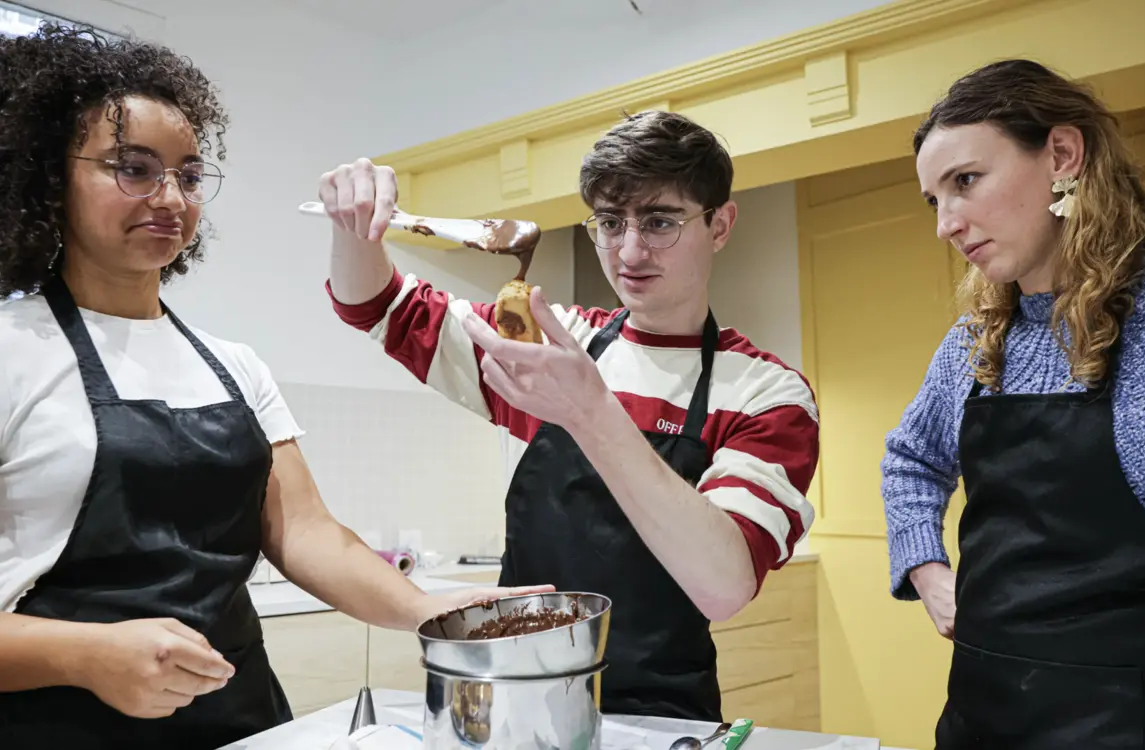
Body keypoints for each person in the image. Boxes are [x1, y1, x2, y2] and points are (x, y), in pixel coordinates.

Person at [0, 24, 548, 749]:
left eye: (190, 175)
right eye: (133, 168)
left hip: (241, 719)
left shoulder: (232, 364)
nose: (170, 197)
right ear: (46, 175)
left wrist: (426, 608)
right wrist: (83, 653)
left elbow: (304, 532)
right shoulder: (13, 352)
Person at [319, 110, 819, 721]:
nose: (630, 251)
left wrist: (591, 413)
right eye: (610, 223)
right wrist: (354, 228)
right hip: (507, 695)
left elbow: (724, 586)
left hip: (659, 716)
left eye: (660, 221)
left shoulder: (766, 393)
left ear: (720, 225)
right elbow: (377, 306)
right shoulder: (550, 342)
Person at [881, 58, 1145, 749]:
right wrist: (927, 572)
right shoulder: (975, 340)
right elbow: (909, 459)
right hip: (985, 708)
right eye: (935, 200)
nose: (947, 224)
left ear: (1061, 153)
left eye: (965, 181)